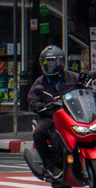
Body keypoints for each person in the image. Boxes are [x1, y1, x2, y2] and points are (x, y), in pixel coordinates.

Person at [22, 45, 83, 179]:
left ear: (61, 62)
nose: (50, 65)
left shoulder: (73, 77)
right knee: (39, 133)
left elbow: (86, 89)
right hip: (50, 117)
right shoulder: (40, 82)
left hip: (72, 115)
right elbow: (32, 100)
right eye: (47, 62)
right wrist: (39, 105)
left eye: (53, 62)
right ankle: (50, 165)